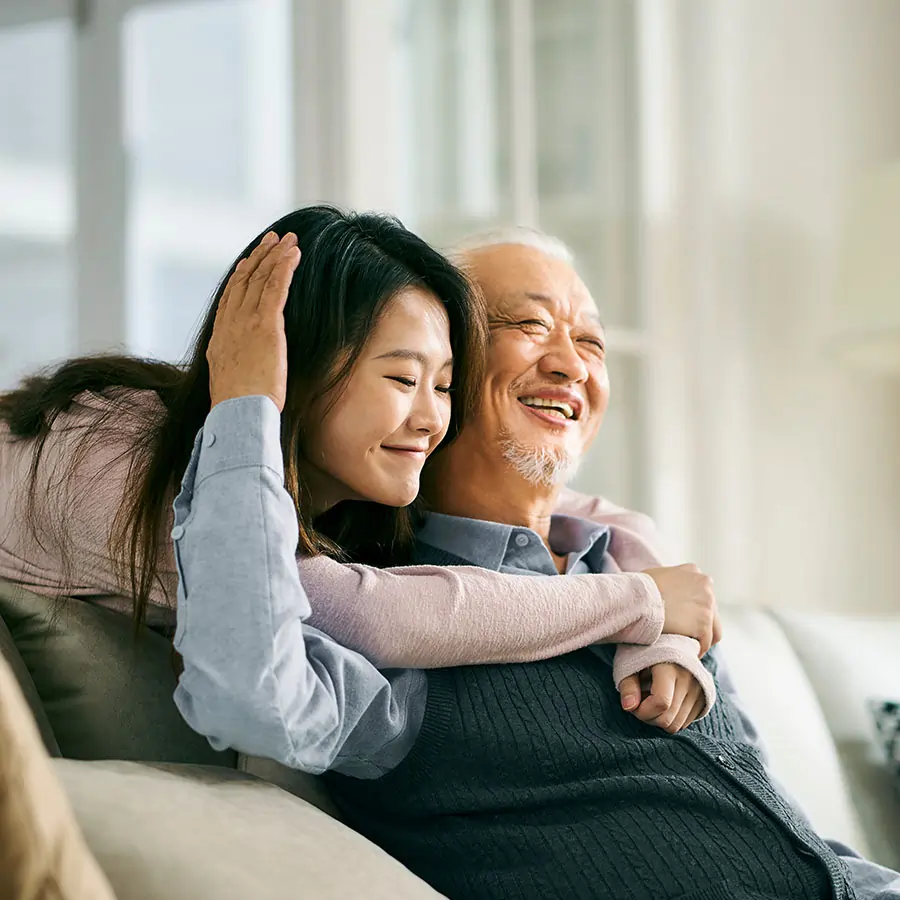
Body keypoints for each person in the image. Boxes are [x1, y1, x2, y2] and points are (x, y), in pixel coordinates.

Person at [171, 226, 900, 900]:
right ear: (440, 365)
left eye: (591, 340)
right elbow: (250, 693)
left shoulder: (646, 582)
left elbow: (785, 834)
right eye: (527, 325)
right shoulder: (382, 631)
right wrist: (247, 409)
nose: (570, 363)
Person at [0, 206, 717, 727]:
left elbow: (586, 512)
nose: (433, 418)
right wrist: (639, 603)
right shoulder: (136, 464)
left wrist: (667, 622)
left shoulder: (345, 492)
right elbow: (370, 617)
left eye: (444, 385)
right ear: (294, 374)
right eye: (404, 380)